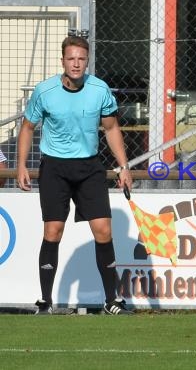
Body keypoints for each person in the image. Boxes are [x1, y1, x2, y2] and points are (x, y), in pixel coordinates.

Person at [17, 35, 133, 315]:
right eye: (71, 59)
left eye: (81, 59)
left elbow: (111, 128)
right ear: (63, 61)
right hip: (55, 168)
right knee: (53, 231)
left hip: (90, 167)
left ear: (87, 61)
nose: (76, 64)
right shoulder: (45, 91)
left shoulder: (99, 89)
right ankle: (45, 301)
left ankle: (110, 300)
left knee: (104, 230)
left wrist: (124, 166)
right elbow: (28, 127)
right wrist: (21, 165)